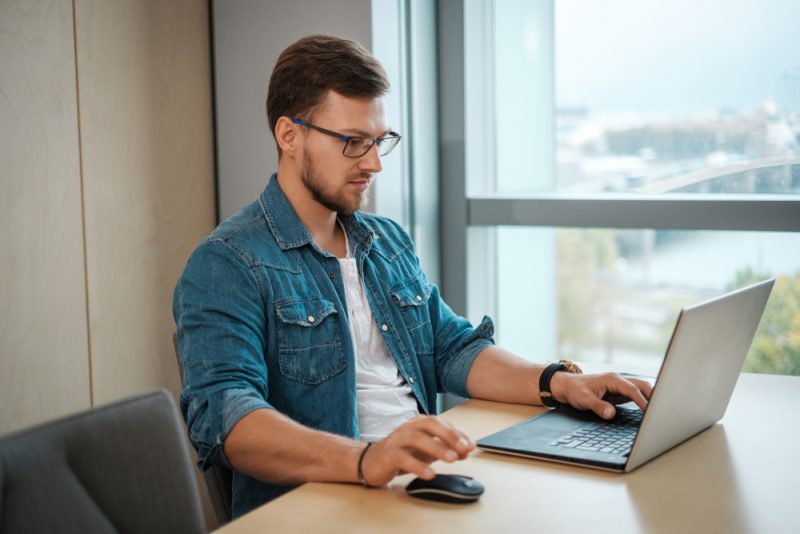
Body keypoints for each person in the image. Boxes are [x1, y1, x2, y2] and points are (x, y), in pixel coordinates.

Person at [173, 34, 652, 518]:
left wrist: (558, 382)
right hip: (328, 501)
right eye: (353, 143)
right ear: (289, 135)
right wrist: (367, 459)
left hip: (421, 481)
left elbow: (452, 347)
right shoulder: (227, 262)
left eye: (379, 141)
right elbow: (226, 419)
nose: (374, 163)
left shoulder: (386, 241)